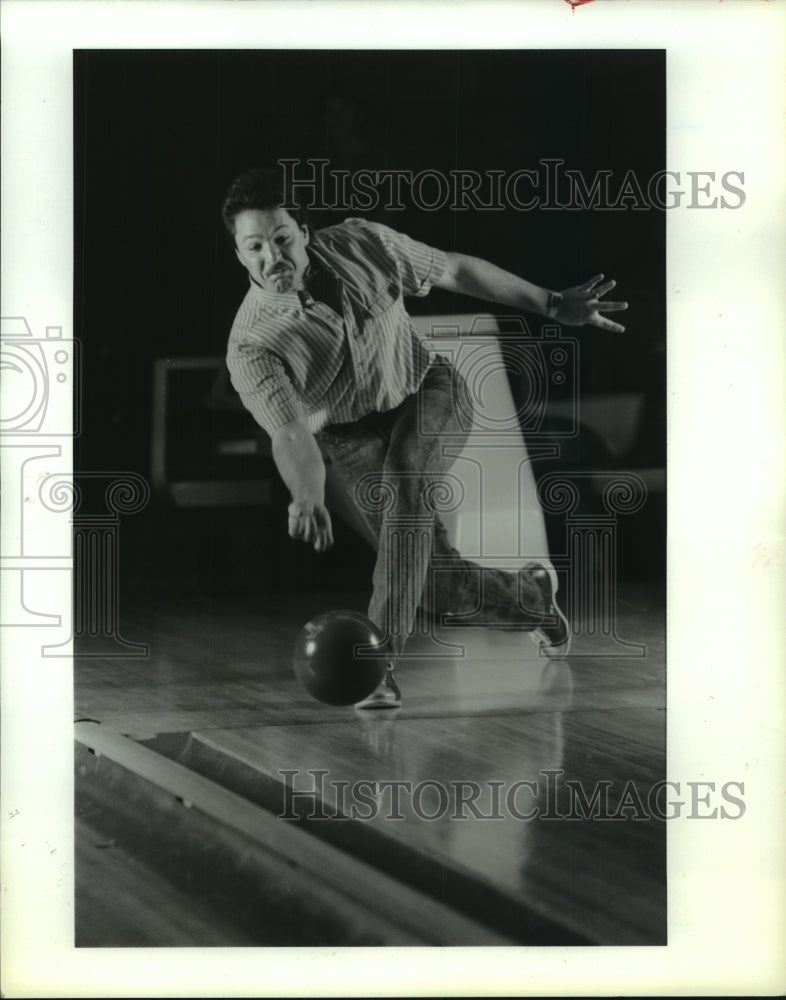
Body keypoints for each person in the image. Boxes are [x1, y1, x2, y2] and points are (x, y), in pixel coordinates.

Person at [223, 167, 627, 709]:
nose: (273, 258)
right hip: (348, 438)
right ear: (240, 255)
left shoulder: (365, 243)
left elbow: (457, 269)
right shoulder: (250, 344)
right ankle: (534, 599)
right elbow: (291, 432)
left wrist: (552, 304)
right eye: (255, 247)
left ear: (305, 234)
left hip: (429, 391)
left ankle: (376, 664)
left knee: (405, 486)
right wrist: (306, 494)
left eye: (282, 239)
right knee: (435, 583)